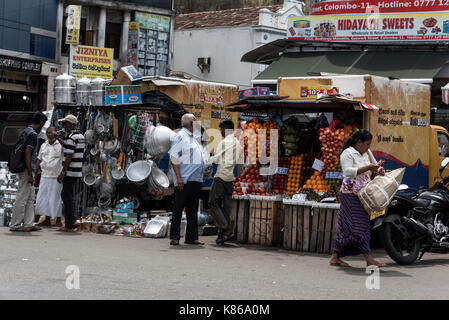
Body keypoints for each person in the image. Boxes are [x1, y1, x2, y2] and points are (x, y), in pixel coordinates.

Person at [329, 129, 387, 268]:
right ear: (358, 142)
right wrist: (368, 167)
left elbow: (375, 167)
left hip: (364, 194)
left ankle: (335, 257)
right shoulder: (347, 153)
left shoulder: (367, 152)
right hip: (350, 194)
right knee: (360, 227)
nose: (368, 147)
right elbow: (347, 172)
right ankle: (369, 259)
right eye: (366, 144)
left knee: (346, 227)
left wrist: (379, 170)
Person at [169, 113, 206, 246]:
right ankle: (174, 236)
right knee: (178, 209)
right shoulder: (180, 136)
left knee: (192, 209)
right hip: (184, 179)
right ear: (191, 124)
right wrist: (178, 177)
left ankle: (191, 237)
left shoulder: (194, 137)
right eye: (195, 121)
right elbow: (173, 157)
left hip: (196, 179)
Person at [9, 112, 48, 232]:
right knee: (22, 196)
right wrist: (30, 173)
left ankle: (28, 223)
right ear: (41, 123)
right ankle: (15, 224)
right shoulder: (32, 134)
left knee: (30, 197)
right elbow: (27, 153)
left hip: (27, 169)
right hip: (27, 169)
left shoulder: (26, 130)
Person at [208, 120, 243, 244]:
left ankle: (226, 229)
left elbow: (216, 159)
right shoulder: (238, 143)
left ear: (225, 129)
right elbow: (238, 158)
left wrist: (206, 159)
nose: (221, 132)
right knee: (226, 207)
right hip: (230, 179)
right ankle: (222, 235)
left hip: (221, 176)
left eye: (221, 129)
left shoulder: (223, 143)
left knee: (212, 203)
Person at [57, 114, 85, 232]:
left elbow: (69, 155)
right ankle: (72, 221)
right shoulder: (80, 136)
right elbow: (70, 148)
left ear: (71, 125)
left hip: (70, 171)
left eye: (65, 123)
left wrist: (63, 172)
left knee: (66, 196)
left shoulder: (72, 137)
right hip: (76, 171)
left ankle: (70, 223)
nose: (64, 126)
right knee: (68, 196)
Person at [34, 127, 64, 226]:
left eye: (52, 132)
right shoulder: (43, 145)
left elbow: (67, 150)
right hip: (45, 175)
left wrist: (59, 138)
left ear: (56, 133)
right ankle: (46, 219)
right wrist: (35, 171)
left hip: (56, 175)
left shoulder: (60, 144)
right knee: (44, 198)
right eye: (48, 132)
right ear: (46, 134)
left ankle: (58, 220)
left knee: (56, 198)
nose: (50, 134)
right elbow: (39, 158)